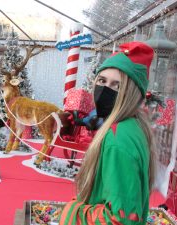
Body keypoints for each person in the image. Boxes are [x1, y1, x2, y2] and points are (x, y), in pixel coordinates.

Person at [59, 42, 156, 225]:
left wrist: (72, 211)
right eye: (102, 81)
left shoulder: (117, 138)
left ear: (131, 93)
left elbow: (121, 218)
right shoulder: (133, 125)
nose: (104, 90)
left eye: (117, 86)